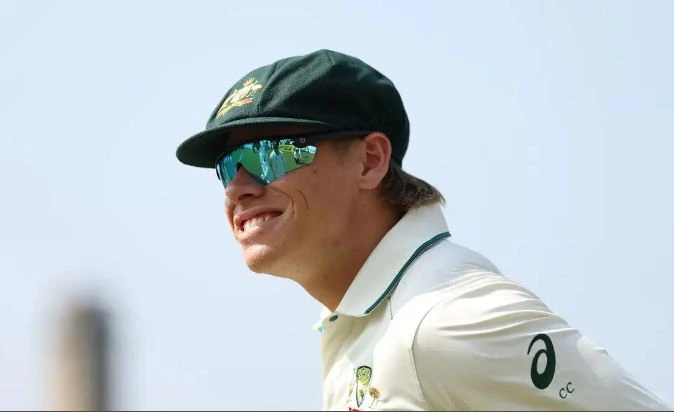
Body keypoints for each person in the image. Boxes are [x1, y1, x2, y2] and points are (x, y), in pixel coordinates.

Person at [176, 49, 669, 411]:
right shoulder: (363, 325)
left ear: (370, 161)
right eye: (227, 165)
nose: (238, 186)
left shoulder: (445, 321)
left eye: (270, 152)